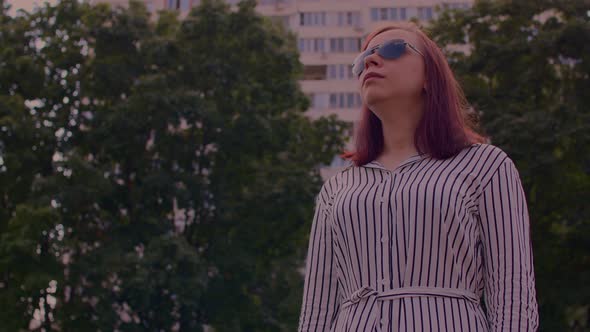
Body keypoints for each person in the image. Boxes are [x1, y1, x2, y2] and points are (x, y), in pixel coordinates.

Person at [297, 22, 539, 332]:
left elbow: (513, 293)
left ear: (430, 76)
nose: (370, 60)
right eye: (363, 58)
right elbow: (317, 312)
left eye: (392, 49)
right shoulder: (337, 189)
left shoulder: (487, 167)